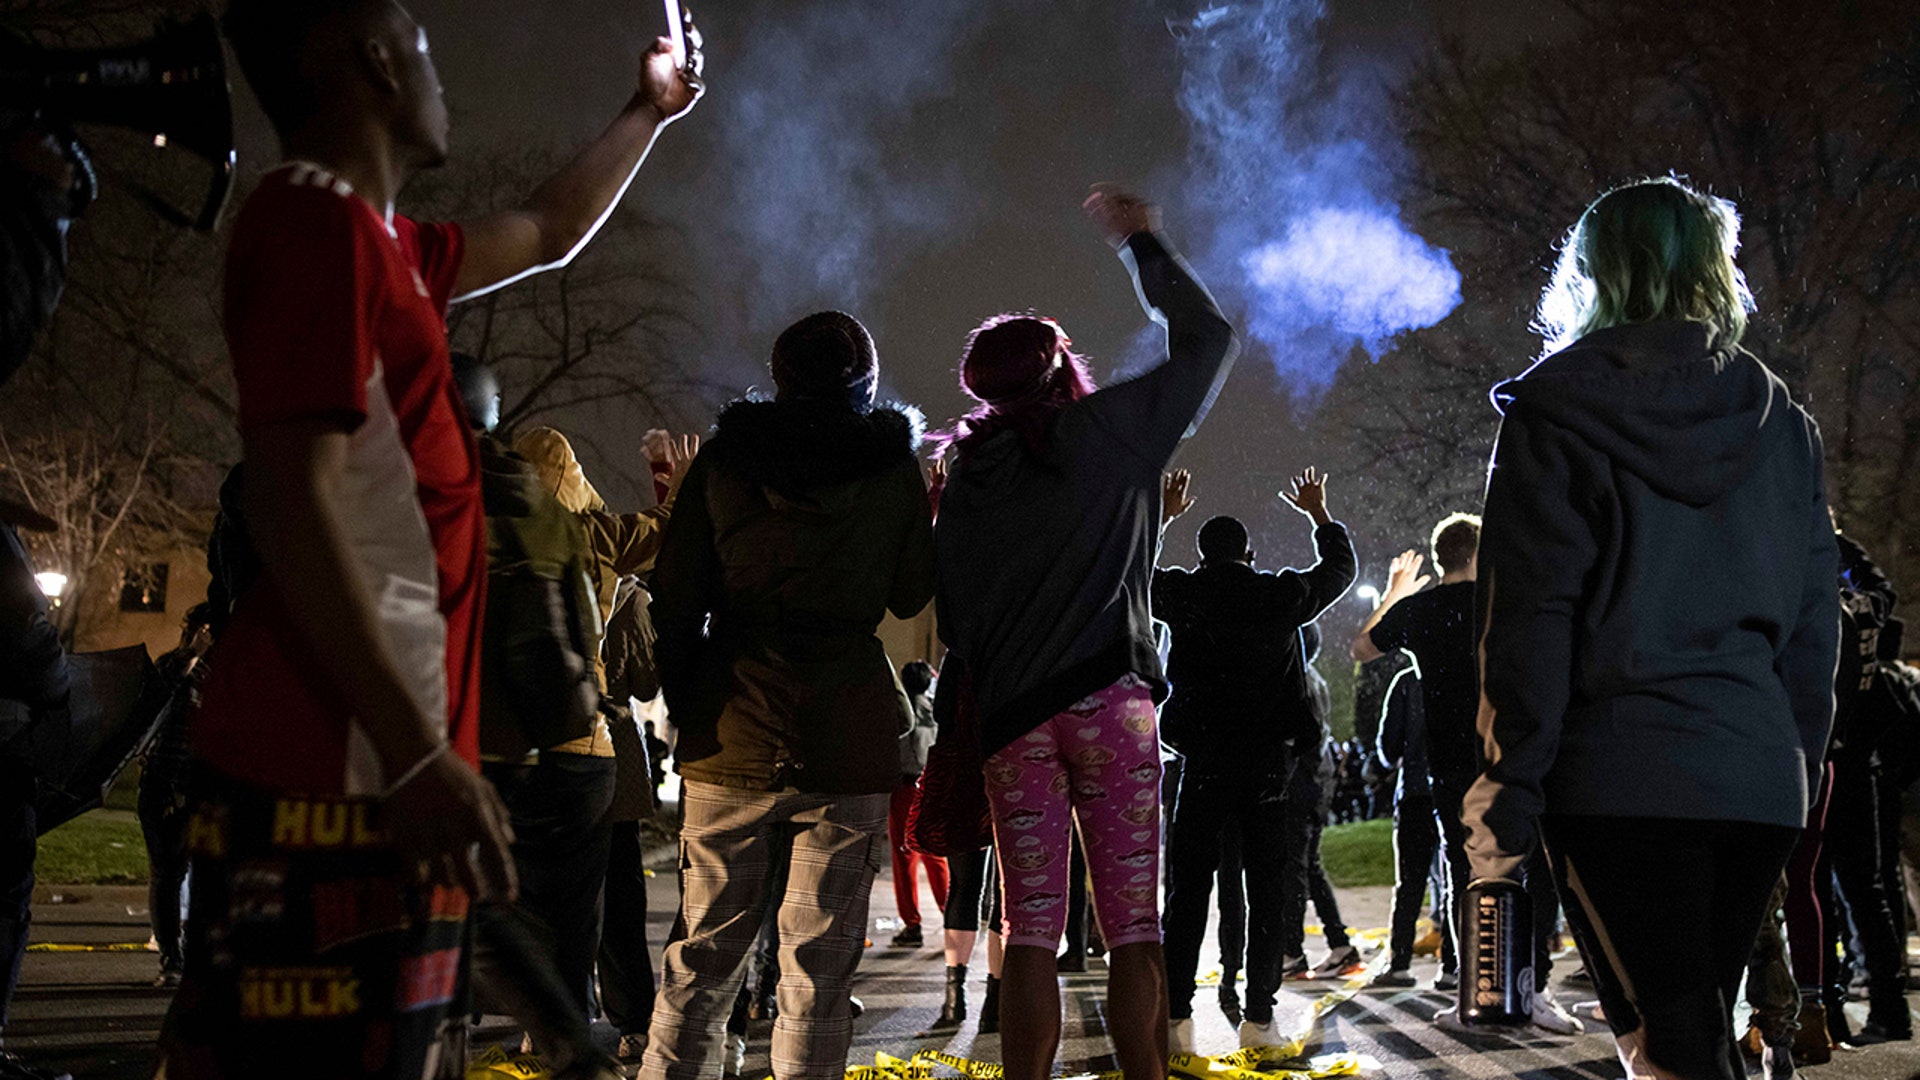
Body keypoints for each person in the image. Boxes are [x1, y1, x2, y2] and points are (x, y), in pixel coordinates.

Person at [167, 3, 704, 1075]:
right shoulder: (310, 224)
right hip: (327, 766)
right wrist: (414, 749)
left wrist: (647, 112)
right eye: (420, 46)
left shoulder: (383, 244)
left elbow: (547, 232)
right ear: (368, 54)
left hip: (382, 759)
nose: (439, 73)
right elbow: (288, 500)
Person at [1461, 177, 1838, 1079]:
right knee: (1689, 1029)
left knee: (1670, 1044)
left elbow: (1531, 618)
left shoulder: (1556, 410)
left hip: (1623, 774)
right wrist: (1800, 760)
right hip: (1756, 778)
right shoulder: (1779, 416)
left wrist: (1506, 787)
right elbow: (1814, 624)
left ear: (1592, 272)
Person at [933, 187, 1238, 1080]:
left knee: (1028, 924)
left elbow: (954, 619)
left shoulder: (968, 476)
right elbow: (1208, 338)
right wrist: (1140, 240)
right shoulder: (1116, 431)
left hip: (1016, 719)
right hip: (1115, 705)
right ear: (1063, 364)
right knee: (1133, 921)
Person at [645, 310, 936, 1080]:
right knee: (820, 970)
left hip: (732, 724)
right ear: (866, 385)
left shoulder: (723, 463)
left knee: (700, 962)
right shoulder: (891, 471)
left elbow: (675, 598)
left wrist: (692, 708)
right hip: (846, 734)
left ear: (779, 378)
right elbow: (911, 596)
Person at [1351, 516, 1578, 1033]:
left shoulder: (1419, 610)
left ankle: (1475, 992)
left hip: (1449, 762)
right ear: (1480, 553)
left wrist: (1393, 594)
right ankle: (1531, 989)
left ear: (1440, 558)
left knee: (1463, 872)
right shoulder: (1499, 602)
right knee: (1527, 869)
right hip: (1507, 751)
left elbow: (1361, 649)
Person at [1154, 483, 1356, 1050]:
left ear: (1201, 556)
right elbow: (1340, 568)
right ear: (1250, 555)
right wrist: (1320, 511)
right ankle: (1259, 1018)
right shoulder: (1279, 596)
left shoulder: (1182, 594)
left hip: (1202, 761)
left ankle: (1175, 1015)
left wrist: (1162, 520)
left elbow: (1130, 573)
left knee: (1188, 890)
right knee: (1266, 889)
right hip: (1268, 761)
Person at [1276, 626, 1365, 983]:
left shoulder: (1297, 682)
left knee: (1294, 869)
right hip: (1317, 782)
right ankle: (1340, 946)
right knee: (1309, 867)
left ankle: (1292, 952)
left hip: (1301, 782)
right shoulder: (1316, 679)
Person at [138, 603, 216, 988]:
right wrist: (191, 658)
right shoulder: (174, 665)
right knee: (166, 873)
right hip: (162, 783)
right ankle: (171, 957)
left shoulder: (222, 672)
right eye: (199, 629)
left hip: (199, 785)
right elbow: (151, 704)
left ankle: (194, 955)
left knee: (194, 871)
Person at [889, 660, 948, 948]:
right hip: (932, 788)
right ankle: (952, 918)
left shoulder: (897, 713)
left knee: (904, 858)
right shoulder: (938, 710)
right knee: (936, 856)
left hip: (904, 789)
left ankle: (912, 925)